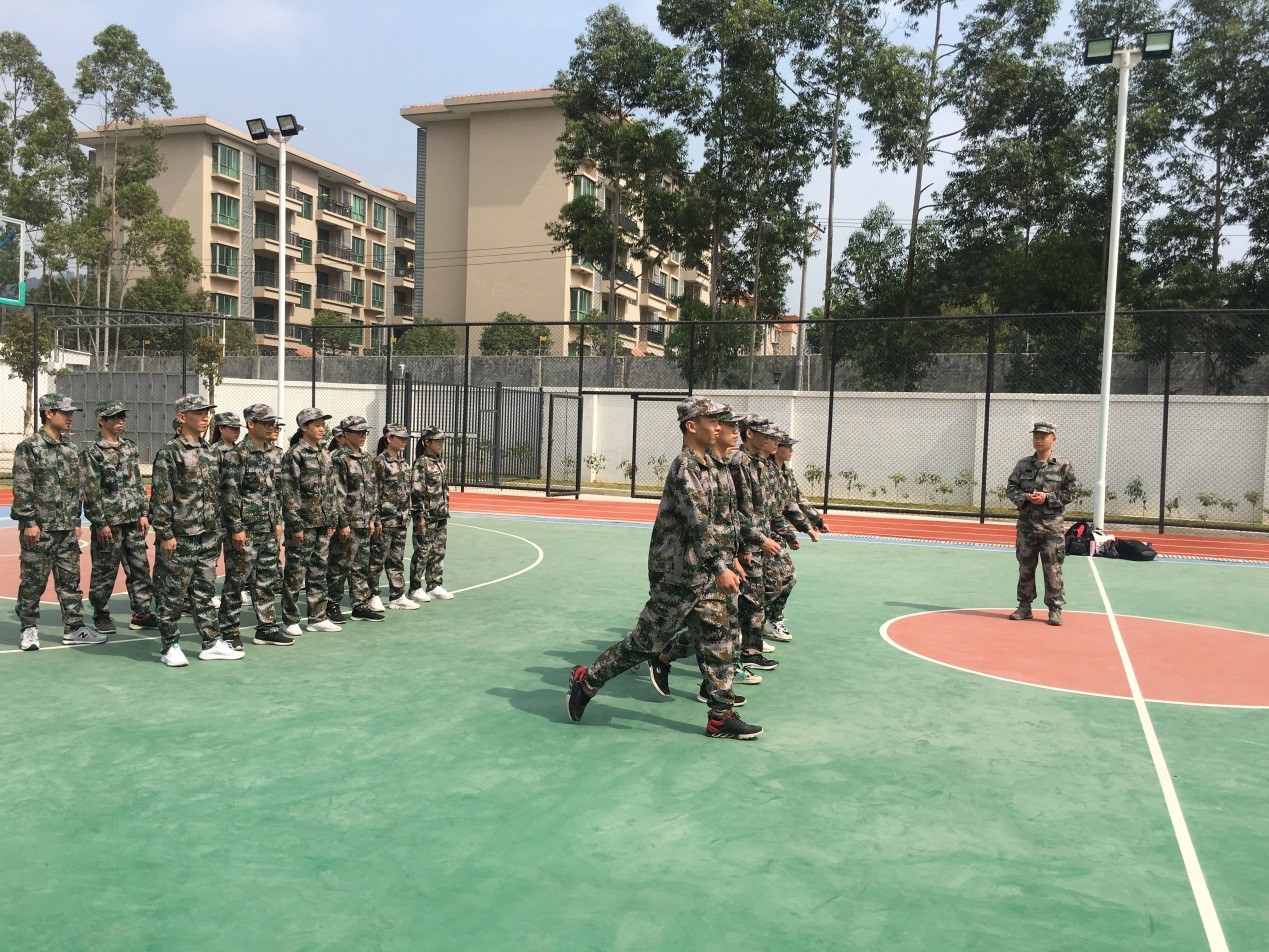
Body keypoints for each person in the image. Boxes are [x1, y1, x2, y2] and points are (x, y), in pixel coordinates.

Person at [566, 397, 761, 740]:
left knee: (719, 641)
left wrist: (731, 558)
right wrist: (720, 566)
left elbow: (722, 521)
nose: (719, 426)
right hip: (677, 574)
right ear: (692, 426)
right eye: (712, 420)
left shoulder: (713, 465)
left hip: (705, 573)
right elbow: (698, 524)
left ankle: (720, 717)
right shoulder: (686, 469)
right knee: (644, 643)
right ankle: (588, 679)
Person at [11, 393, 107, 651]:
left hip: (66, 530)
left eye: (71, 412)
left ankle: (74, 628)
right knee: (33, 582)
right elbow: (23, 487)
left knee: (70, 582)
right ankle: (28, 628)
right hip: (40, 529)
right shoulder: (29, 447)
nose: (69, 417)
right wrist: (29, 522)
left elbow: (75, 489)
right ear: (48, 413)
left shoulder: (70, 449)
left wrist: (76, 520)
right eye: (64, 412)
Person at [151, 394, 241, 665]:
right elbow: (161, 497)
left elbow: (220, 493)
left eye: (207, 412)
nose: (205, 417)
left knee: (204, 590)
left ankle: (211, 642)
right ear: (182, 417)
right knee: (172, 593)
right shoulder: (170, 452)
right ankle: (170, 645)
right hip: (181, 536)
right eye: (199, 412)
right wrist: (165, 534)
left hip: (208, 534)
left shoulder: (210, 452)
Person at [218, 404, 293, 648]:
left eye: (274, 423)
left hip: (269, 528)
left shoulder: (274, 454)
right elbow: (229, 495)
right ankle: (229, 631)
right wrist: (236, 528)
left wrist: (278, 521)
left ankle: (267, 628)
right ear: (251, 424)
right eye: (267, 423)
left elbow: (278, 491)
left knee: (266, 580)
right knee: (236, 582)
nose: (272, 427)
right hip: (245, 531)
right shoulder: (236, 456)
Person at [81, 401, 158, 636]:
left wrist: (144, 512)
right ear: (101, 421)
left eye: (122, 416)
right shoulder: (93, 452)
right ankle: (101, 613)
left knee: (139, 568)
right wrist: (100, 522)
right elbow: (91, 490)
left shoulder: (129, 447)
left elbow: (137, 482)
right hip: (109, 522)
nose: (120, 421)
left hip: (133, 519)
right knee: (105, 570)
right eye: (114, 417)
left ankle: (141, 613)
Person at [730, 416, 789, 671]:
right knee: (747, 601)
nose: (771, 440)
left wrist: (779, 534)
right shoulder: (739, 463)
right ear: (750, 434)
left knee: (767, 591)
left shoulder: (759, 464)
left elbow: (766, 508)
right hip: (747, 544)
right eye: (765, 435)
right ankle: (748, 652)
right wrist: (744, 546)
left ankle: (749, 646)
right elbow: (733, 510)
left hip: (760, 543)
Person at [1006, 422, 1076, 626]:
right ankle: (1024, 606)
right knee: (1025, 567)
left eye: (1043, 437)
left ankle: (1055, 609)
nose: (1039, 440)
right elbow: (1011, 488)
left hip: (1051, 528)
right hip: (1027, 527)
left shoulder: (1063, 465)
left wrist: (1048, 498)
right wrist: (1025, 497)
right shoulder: (1023, 465)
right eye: (1036, 436)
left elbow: (1071, 492)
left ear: (1053, 439)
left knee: (1052, 569)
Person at [281, 408, 342, 635]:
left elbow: (331, 489)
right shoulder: (294, 454)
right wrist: (295, 524)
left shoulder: (324, 453)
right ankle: (290, 619)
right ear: (303, 427)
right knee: (296, 573)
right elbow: (289, 492)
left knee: (318, 571)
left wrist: (332, 518)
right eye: (316, 424)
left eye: (322, 424)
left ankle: (317, 617)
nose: (321, 428)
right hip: (303, 525)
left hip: (322, 523)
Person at [766, 430, 827, 642]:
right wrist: (793, 533)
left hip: (778, 533)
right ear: (776, 448)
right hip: (765, 535)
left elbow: (796, 501)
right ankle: (758, 626)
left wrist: (815, 522)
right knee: (774, 582)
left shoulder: (786, 473)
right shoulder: (767, 472)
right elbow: (772, 509)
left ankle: (769, 621)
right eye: (788, 446)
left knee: (784, 579)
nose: (791, 450)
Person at [327, 415, 384, 623]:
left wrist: (374, 519)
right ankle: (331, 604)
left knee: (361, 566)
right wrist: (342, 523)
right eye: (358, 432)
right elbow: (337, 494)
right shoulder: (339, 458)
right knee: (340, 566)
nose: (362, 436)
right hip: (349, 523)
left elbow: (372, 491)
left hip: (364, 522)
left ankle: (360, 605)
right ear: (346, 434)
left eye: (364, 432)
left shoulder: (366, 458)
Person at [370, 424, 418, 610]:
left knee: (396, 559)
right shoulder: (379, 462)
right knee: (377, 560)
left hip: (400, 520)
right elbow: (374, 493)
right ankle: (372, 595)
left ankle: (397, 595)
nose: (404, 441)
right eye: (400, 438)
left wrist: (408, 514)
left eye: (406, 438)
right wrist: (376, 519)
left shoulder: (403, 463)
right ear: (389, 438)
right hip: (384, 520)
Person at [408, 426, 453, 602]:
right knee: (422, 552)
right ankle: (415, 587)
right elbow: (416, 491)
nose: (441, 444)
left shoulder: (439, 462)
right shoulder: (422, 463)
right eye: (438, 441)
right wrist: (419, 516)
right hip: (426, 516)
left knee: (438, 551)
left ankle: (434, 585)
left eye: (442, 440)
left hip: (440, 514)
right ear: (427, 442)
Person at [208, 411, 244, 612]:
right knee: (212, 556)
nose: (237, 432)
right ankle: (208, 593)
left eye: (238, 428)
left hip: (235, 512)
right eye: (233, 428)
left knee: (236, 556)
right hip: (217, 512)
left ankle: (234, 591)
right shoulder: (214, 451)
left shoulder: (240, 451)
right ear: (221, 429)